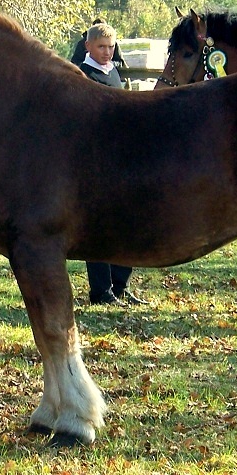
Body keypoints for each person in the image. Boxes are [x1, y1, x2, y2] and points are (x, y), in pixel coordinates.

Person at [78, 23, 146, 307]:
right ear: (88, 47)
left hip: (121, 160)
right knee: (99, 227)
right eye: (102, 47)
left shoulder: (115, 73)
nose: (107, 52)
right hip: (94, 162)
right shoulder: (82, 74)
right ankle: (101, 290)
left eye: (111, 47)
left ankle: (120, 285)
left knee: (125, 225)